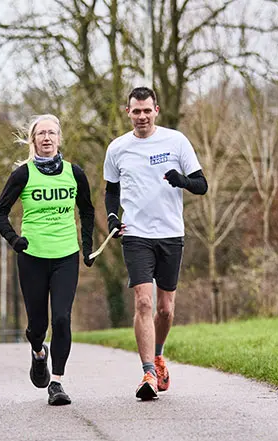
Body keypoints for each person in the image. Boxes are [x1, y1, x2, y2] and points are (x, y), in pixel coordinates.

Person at [103, 87, 207, 400]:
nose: (142, 116)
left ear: (156, 110)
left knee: (165, 309)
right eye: (136, 111)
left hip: (171, 234)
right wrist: (111, 216)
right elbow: (111, 190)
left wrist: (182, 181)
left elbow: (201, 185)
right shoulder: (118, 148)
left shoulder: (176, 141)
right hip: (135, 235)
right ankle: (148, 372)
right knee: (144, 303)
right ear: (128, 112)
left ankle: (159, 355)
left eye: (147, 110)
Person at [0, 114, 96, 406]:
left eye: (52, 133)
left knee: (62, 318)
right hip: (33, 257)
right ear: (33, 140)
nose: (47, 138)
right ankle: (39, 352)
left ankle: (57, 383)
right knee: (38, 325)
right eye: (41, 134)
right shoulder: (22, 175)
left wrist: (86, 247)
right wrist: (15, 240)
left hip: (66, 255)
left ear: (59, 139)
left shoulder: (74, 173)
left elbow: (87, 211)